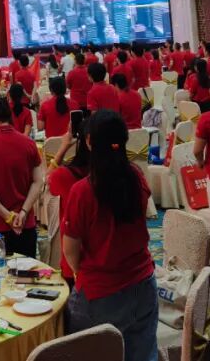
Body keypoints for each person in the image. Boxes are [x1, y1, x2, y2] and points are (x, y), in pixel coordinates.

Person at [62, 110, 157, 361]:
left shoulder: (83, 191)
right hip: (143, 283)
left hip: (100, 293)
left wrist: (85, 273)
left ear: (89, 141)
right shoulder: (136, 177)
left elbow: (70, 251)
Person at [0, 96, 44, 257]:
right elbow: (38, 182)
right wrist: (23, 212)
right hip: (25, 222)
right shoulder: (28, 143)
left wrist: (8, 217)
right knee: (27, 270)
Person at [47, 126, 90, 288]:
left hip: (75, 261)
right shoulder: (131, 176)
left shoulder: (65, 177)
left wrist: (64, 146)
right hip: (117, 267)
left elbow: (46, 181)